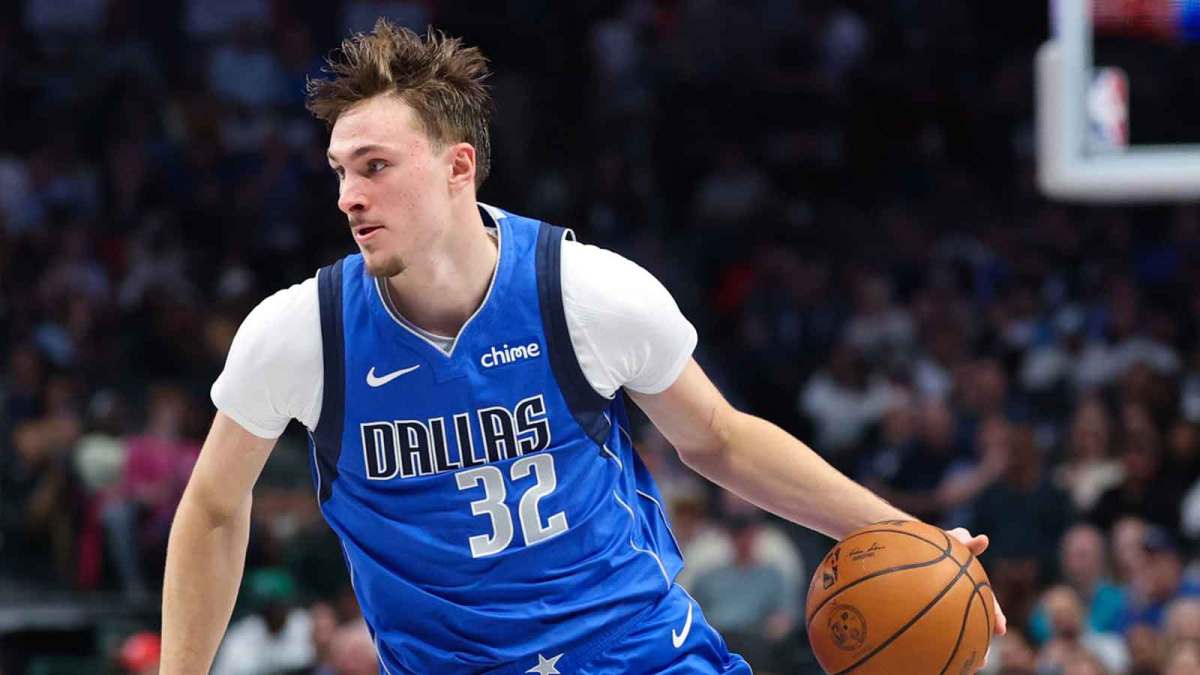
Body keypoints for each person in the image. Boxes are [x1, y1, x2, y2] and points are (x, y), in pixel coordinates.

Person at [161, 20, 1006, 674]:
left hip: (639, 650)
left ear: (458, 167)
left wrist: (908, 530)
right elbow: (211, 506)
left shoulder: (585, 291)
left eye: (375, 166)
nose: (348, 195)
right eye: (340, 170)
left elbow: (717, 438)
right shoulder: (301, 332)